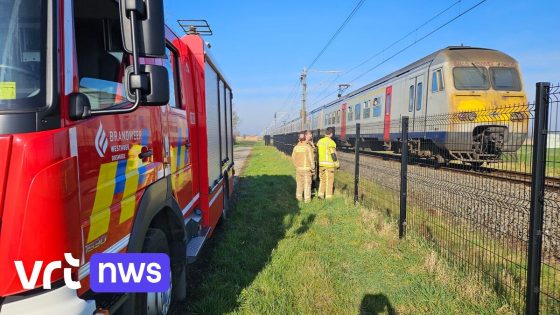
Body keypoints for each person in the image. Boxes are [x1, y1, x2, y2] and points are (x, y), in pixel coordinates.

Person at [292, 133, 315, 203]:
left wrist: (297, 166)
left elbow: (293, 158)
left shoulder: (296, 147)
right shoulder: (308, 147)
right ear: (305, 139)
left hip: (298, 169)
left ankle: (298, 198)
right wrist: (313, 168)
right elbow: (311, 159)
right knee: (307, 184)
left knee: (299, 184)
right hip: (307, 169)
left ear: (298, 139)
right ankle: (307, 200)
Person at [317, 127, 339, 199]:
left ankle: (320, 195)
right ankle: (328, 197)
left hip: (321, 164)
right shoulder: (331, 142)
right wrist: (337, 164)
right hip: (329, 165)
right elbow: (333, 154)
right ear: (331, 134)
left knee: (322, 180)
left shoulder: (320, 141)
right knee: (329, 181)